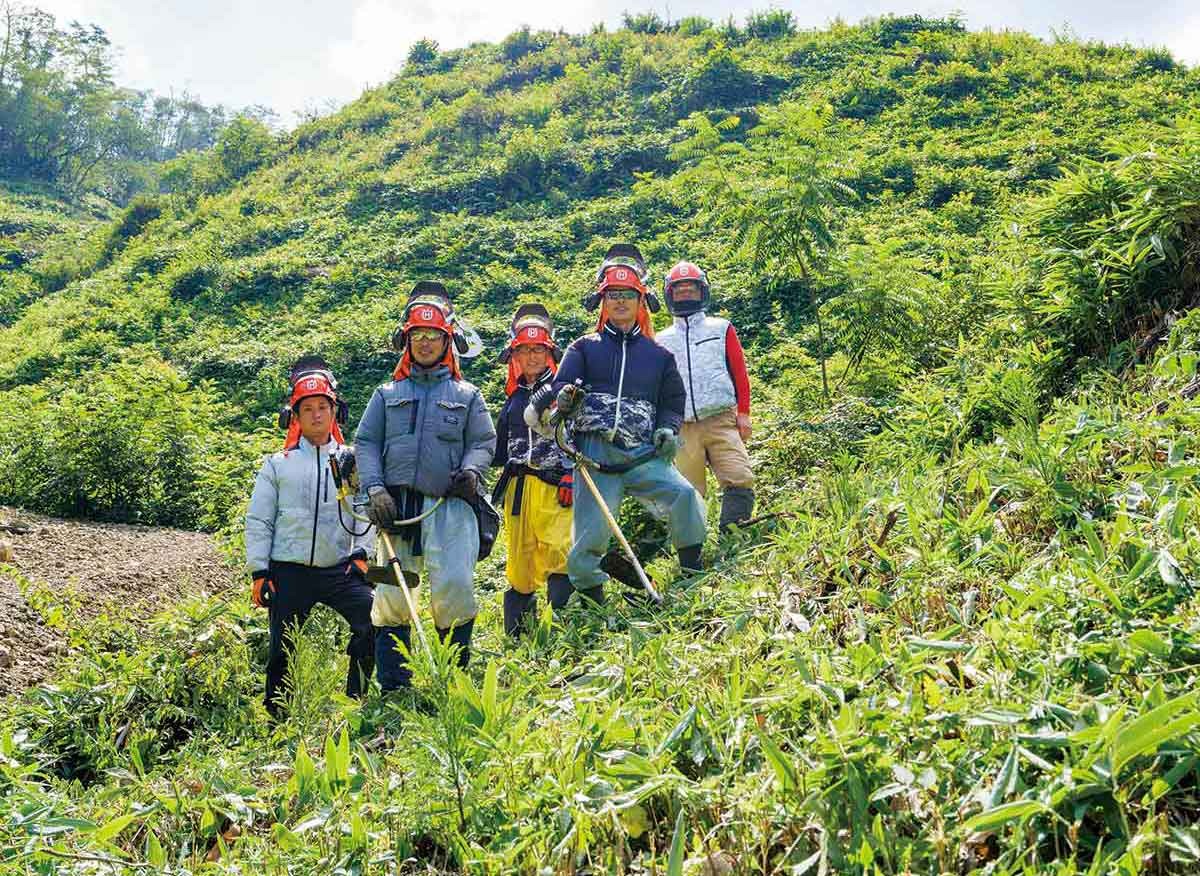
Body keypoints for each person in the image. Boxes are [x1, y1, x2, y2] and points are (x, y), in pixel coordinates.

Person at [527, 245, 706, 605]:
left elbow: (672, 401)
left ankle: (692, 574)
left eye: (628, 295)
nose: (621, 302)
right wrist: (564, 399)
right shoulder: (584, 348)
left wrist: (668, 428)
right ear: (602, 302)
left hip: (643, 453)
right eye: (613, 296)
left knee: (685, 496)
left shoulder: (659, 355)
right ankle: (595, 603)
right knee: (591, 535)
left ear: (642, 301)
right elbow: (562, 386)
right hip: (595, 456)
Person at [354, 284, 496, 690]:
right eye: (418, 336)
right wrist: (376, 489)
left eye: (433, 336)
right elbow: (366, 442)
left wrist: (471, 471)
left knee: (454, 587)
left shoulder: (468, 395)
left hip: (449, 507)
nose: (426, 343)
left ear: (447, 341)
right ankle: (396, 687)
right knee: (392, 598)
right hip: (395, 510)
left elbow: (483, 442)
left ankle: (454, 680)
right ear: (407, 342)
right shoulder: (386, 394)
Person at [245, 357, 375, 719]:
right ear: (295, 417)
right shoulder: (278, 465)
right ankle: (276, 716)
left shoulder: (350, 461)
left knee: (371, 618)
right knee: (282, 647)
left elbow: (364, 510)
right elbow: (259, 519)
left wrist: (363, 551)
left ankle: (356, 700)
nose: (316, 415)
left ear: (335, 412)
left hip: (339, 569)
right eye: (308, 409)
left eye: (323, 407)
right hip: (289, 570)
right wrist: (259, 571)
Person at [491, 304, 574, 635]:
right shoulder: (511, 399)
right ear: (514, 355)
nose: (531, 357)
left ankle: (564, 631)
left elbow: (580, 432)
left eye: (538, 349)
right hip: (518, 489)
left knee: (560, 553)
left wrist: (571, 471)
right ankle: (519, 639)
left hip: (556, 484)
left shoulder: (564, 391)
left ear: (549, 351)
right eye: (524, 350)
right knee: (521, 564)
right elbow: (497, 450)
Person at [655, 261, 755, 532]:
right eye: (680, 289)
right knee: (688, 491)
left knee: (739, 476)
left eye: (691, 288)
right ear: (669, 294)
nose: (686, 293)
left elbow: (739, 372)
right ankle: (693, 551)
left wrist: (743, 413)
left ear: (702, 292)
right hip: (682, 425)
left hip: (721, 418)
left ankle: (733, 538)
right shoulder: (661, 340)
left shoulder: (721, 328)